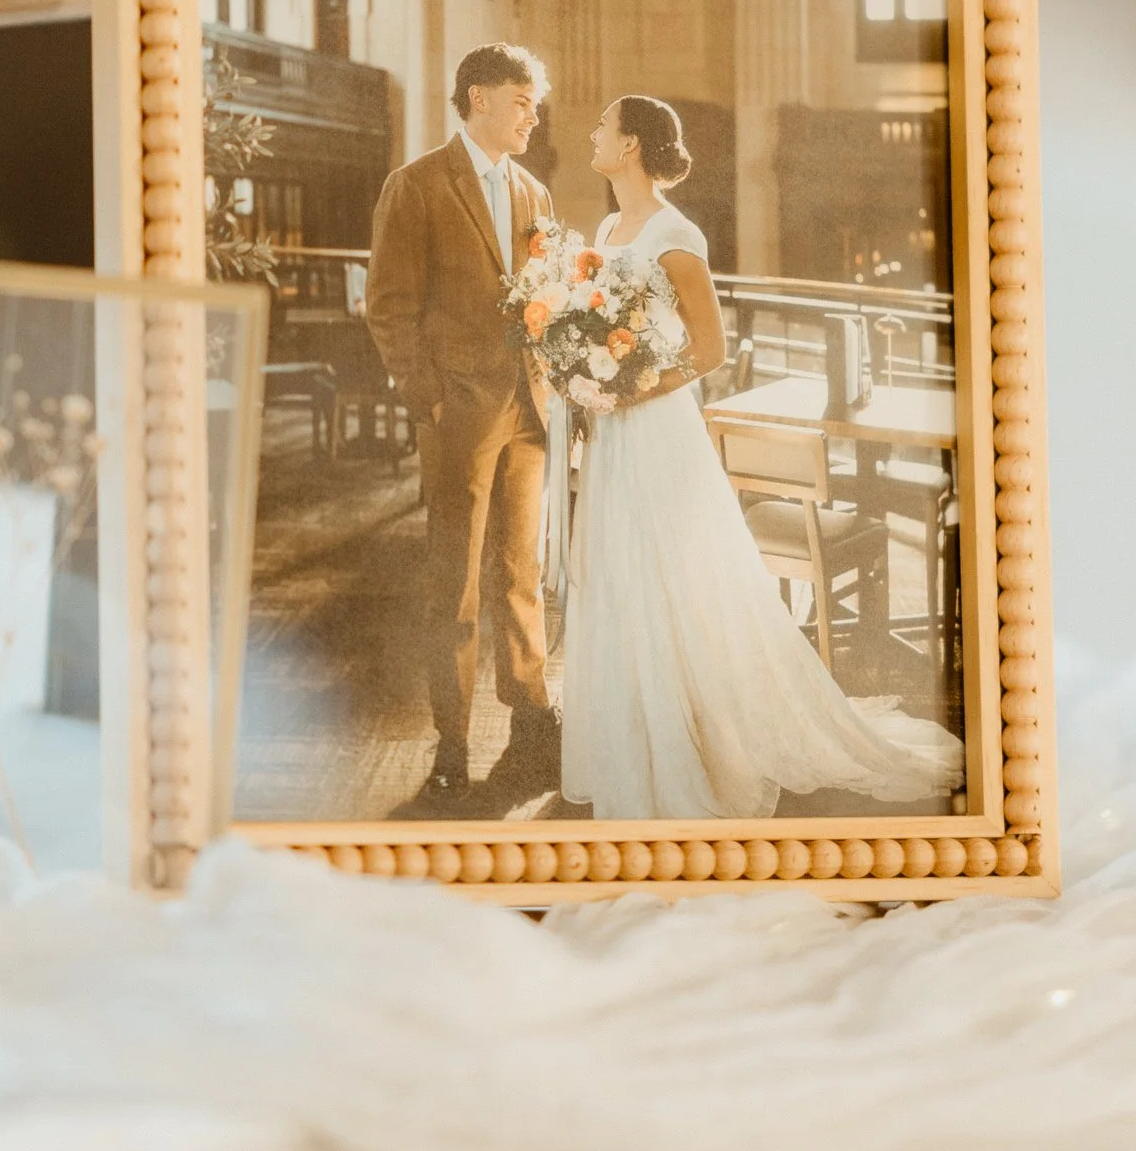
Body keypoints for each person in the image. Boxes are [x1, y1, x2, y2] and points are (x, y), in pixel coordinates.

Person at [560, 94, 964, 820]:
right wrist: (587, 373)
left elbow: (707, 349)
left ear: (631, 146)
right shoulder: (605, 226)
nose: (591, 134)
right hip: (613, 430)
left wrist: (630, 387)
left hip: (654, 429)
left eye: (602, 128)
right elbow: (600, 324)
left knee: (674, 574)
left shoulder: (675, 234)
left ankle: (700, 739)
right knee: (620, 573)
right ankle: (642, 731)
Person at [366, 43, 559, 805]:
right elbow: (387, 305)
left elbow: (542, 295)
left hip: (527, 410)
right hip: (458, 411)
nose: (530, 116)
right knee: (453, 581)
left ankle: (531, 720)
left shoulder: (534, 191)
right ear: (478, 97)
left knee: (521, 572)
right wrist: (429, 399)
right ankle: (450, 743)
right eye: (521, 100)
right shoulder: (414, 186)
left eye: (533, 104)